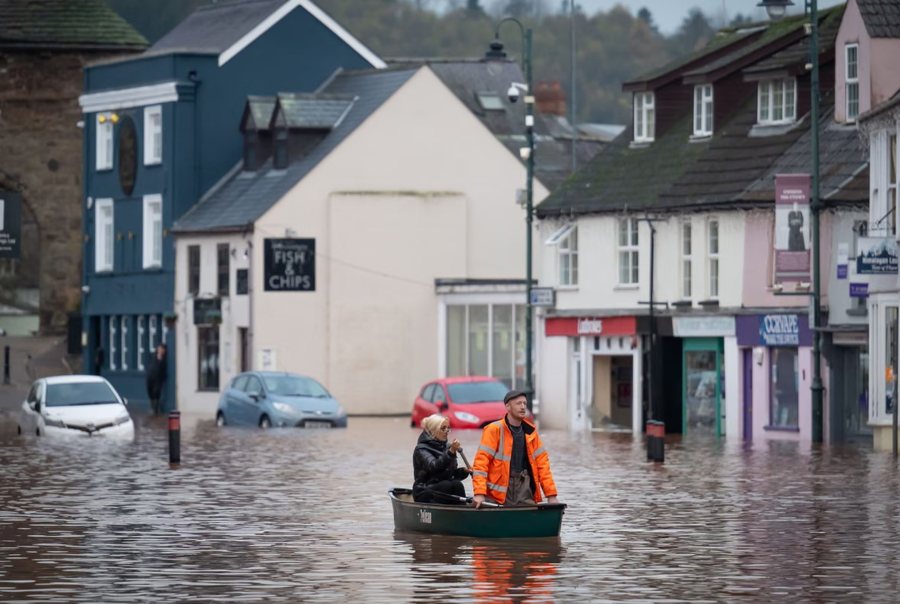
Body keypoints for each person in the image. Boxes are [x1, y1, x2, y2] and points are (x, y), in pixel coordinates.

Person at [472, 390, 559, 508]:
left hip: (524, 489)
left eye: (524, 403)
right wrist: (479, 493)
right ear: (508, 406)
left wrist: (551, 496)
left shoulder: (531, 433)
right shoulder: (494, 430)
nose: (523, 407)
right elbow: (481, 463)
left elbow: (543, 466)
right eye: (518, 403)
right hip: (496, 495)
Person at [412, 414, 471, 505]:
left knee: (457, 484)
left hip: (441, 488)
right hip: (424, 491)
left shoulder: (447, 447)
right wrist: (450, 452)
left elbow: (450, 475)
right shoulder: (421, 449)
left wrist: (464, 471)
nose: (447, 431)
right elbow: (434, 467)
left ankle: (462, 513)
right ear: (432, 430)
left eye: (448, 428)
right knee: (446, 485)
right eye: (443, 428)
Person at [146, 343, 167, 415]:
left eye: (162, 349)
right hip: (150, 376)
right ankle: (152, 406)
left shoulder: (164, 359)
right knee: (150, 391)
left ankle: (155, 409)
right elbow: (149, 364)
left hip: (158, 378)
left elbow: (163, 368)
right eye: (160, 348)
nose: (160, 350)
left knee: (156, 392)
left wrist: (161, 360)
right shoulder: (153, 355)